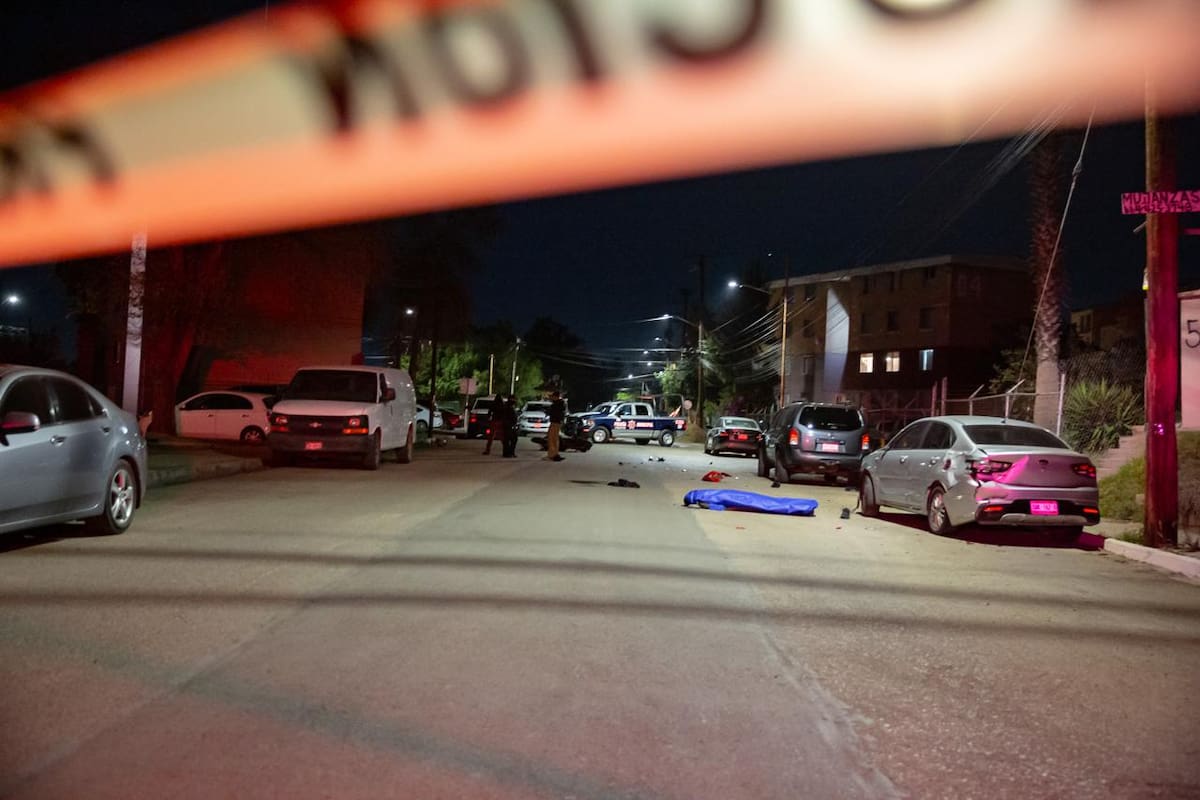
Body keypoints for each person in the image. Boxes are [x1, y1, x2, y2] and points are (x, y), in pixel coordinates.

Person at [544, 390, 566, 461]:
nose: (551, 398)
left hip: (555, 422)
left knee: (552, 438)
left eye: (553, 397)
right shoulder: (559, 404)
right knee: (554, 438)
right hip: (556, 422)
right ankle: (554, 454)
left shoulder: (557, 404)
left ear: (555, 397)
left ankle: (553, 454)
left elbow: (554, 412)